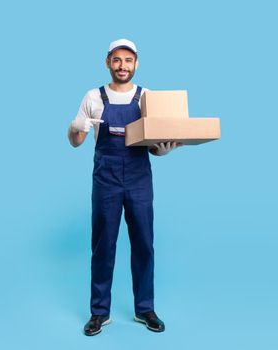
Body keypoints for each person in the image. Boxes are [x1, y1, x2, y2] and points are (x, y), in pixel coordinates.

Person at [68, 39, 180, 336]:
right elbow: (75, 140)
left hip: (138, 178)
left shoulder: (148, 98)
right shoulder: (93, 96)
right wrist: (75, 129)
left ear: (136, 64)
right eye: (117, 60)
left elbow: (155, 145)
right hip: (105, 179)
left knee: (143, 241)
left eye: (128, 61)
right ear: (108, 62)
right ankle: (99, 312)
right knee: (103, 245)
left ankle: (145, 308)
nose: (122, 66)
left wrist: (164, 150)